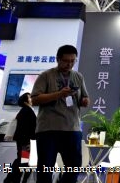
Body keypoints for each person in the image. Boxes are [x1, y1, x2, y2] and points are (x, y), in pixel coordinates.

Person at [31, 45, 89, 183]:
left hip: (72, 129)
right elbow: (35, 100)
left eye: (73, 61)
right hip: (48, 130)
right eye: (66, 61)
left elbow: (85, 97)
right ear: (58, 59)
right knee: (45, 171)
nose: (69, 64)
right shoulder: (46, 75)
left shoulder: (78, 76)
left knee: (74, 168)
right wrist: (59, 94)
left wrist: (85, 101)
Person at [4, 93, 37, 183]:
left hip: (25, 141)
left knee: (23, 160)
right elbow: (27, 128)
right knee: (23, 161)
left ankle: (11, 179)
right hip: (26, 141)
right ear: (25, 101)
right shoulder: (27, 111)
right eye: (30, 97)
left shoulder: (26, 110)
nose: (32, 98)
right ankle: (12, 179)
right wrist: (29, 142)